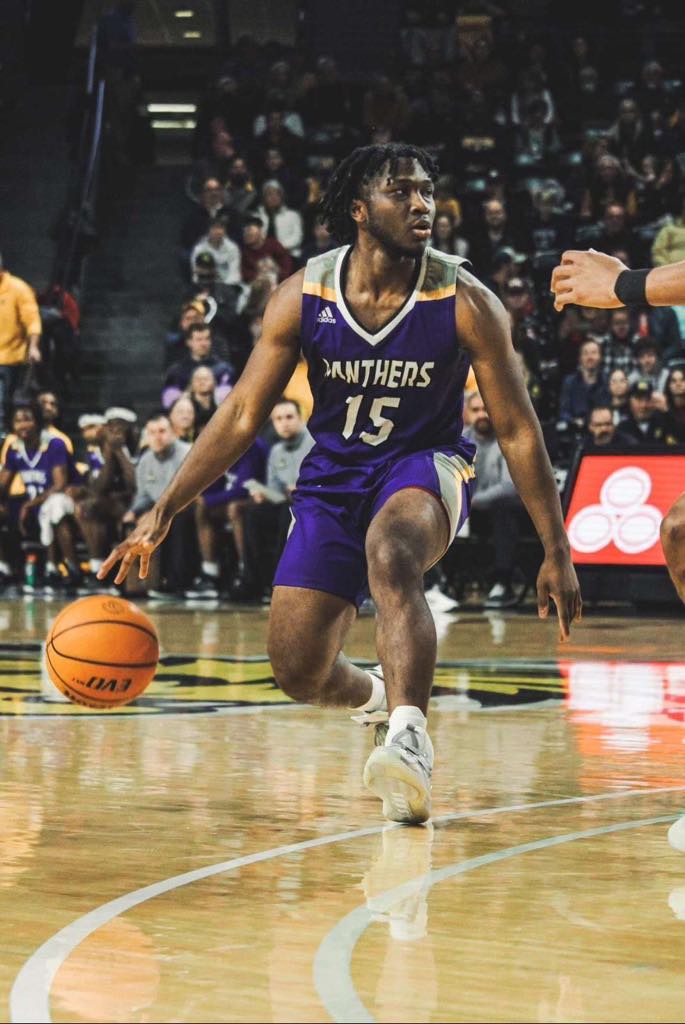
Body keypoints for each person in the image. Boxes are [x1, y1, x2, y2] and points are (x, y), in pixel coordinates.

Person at [99, 143, 580, 825]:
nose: (421, 205)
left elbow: (518, 429)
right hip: (333, 477)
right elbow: (241, 414)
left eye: (426, 191)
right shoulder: (304, 295)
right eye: (400, 192)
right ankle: (378, 698)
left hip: (425, 464)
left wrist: (555, 548)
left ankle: (409, 740)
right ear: (359, 209)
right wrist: (166, 507)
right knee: (298, 669)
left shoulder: (466, 300)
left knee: (392, 550)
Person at [0, 402, 81, 590]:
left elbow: (60, 484)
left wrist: (30, 504)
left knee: (54, 510)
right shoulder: (15, 448)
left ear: (37, 421)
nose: (22, 425)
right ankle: (4, 569)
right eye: (17, 421)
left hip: (65, 500)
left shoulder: (54, 444)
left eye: (27, 419)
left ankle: (72, 570)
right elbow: (3, 483)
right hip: (32, 504)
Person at [463, 392, 524, 609]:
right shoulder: (458, 439)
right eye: (476, 410)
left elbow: (509, 487)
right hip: (466, 509)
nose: (482, 415)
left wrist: (472, 501)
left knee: (505, 508)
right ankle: (434, 583)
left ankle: (503, 582)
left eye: (486, 409)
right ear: (467, 413)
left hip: (496, 509)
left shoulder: (509, 439)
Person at [122, 414, 195, 597]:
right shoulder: (145, 460)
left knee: (176, 520)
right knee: (128, 521)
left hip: (188, 506)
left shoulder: (187, 453)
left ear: (173, 433)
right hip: (161, 509)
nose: (157, 437)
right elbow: (144, 494)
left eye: (162, 431)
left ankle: (177, 583)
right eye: (152, 432)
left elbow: (187, 493)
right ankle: (133, 584)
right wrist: (133, 512)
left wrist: (155, 513)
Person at [0, 253, 42, 432]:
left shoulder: (18, 288)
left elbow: (32, 320)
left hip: (8, 357)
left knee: (2, 400)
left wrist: (33, 347)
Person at [558, 338, 610, 430]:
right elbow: (564, 412)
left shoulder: (607, 381)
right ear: (580, 358)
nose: (590, 357)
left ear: (600, 357)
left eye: (594, 353)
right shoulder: (569, 382)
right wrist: (574, 421)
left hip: (602, 428)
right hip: (576, 429)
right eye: (586, 353)